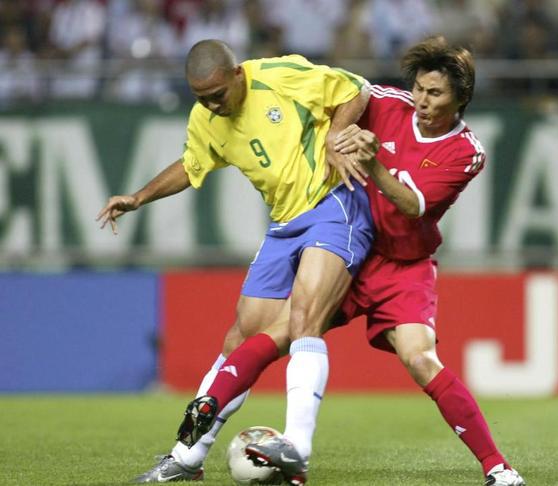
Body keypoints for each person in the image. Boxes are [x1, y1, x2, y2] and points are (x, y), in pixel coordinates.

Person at [160, 36, 525, 485]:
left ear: (460, 98)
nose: (422, 101)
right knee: (279, 331)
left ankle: (497, 468)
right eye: (418, 88)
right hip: (353, 246)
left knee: (419, 358)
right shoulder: (389, 103)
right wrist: (334, 135)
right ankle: (196, 436)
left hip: (404, 267)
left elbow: (412, 206)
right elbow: (350, 94)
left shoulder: (466, 152)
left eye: (435, 94)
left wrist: (371, 164)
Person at [96, 38, 374, 483]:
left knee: (304, 319)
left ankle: (297, 448)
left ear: (237, 74)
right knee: (239, 340)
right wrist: (139, 197)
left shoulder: (279, 75)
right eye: (201, 98)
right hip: (284, 223)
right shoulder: (205, 118)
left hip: (333, 204)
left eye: (217, 95)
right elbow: (192, 165)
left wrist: (335, 139)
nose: (212, 105)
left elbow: (356, 88)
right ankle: (187, 456)